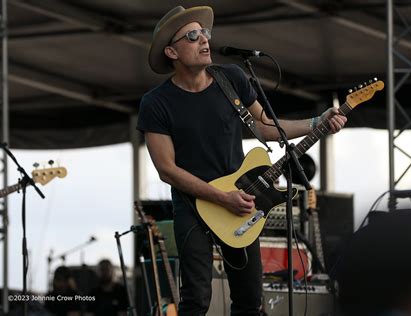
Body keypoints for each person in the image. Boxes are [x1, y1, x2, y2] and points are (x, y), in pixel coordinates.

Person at [137, 5, 347, 315]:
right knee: (196, 299)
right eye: (192, 36)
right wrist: (221, 198)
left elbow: (265, 126)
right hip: (194, 207)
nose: (204, 40)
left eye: (204, 33)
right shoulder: (155, 103)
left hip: (240, 204)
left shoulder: (230, 78)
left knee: (249, 299)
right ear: (171, 51)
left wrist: (319, 121)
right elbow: (167, 169)